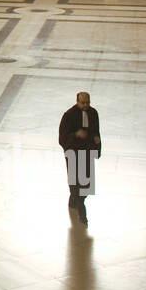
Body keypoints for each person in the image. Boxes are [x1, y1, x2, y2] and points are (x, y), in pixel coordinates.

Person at [58, 91, 101, 225]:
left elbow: (96, 131)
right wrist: (76, 134)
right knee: (75, 182)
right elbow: (62, 137)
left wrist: (97, 146)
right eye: (82, 103)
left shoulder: (93, 113)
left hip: (87, 151)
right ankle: (82, 212)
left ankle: (75, 201)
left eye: (87, 102)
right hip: (73, 151)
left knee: (86, 182)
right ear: (77, 102)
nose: (85, 105)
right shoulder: (69, 115)